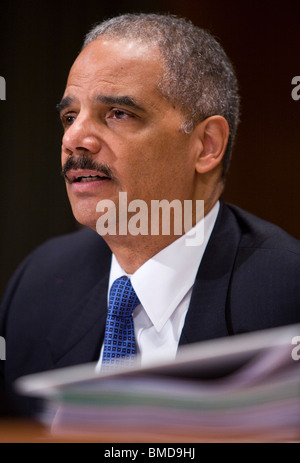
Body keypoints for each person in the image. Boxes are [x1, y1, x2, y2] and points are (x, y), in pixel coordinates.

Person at [1, 13, 300, 416]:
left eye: (118, 114)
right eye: (70, 117)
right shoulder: (39, 283)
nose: (74, 139)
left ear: (206, 146)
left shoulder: (286, 295)